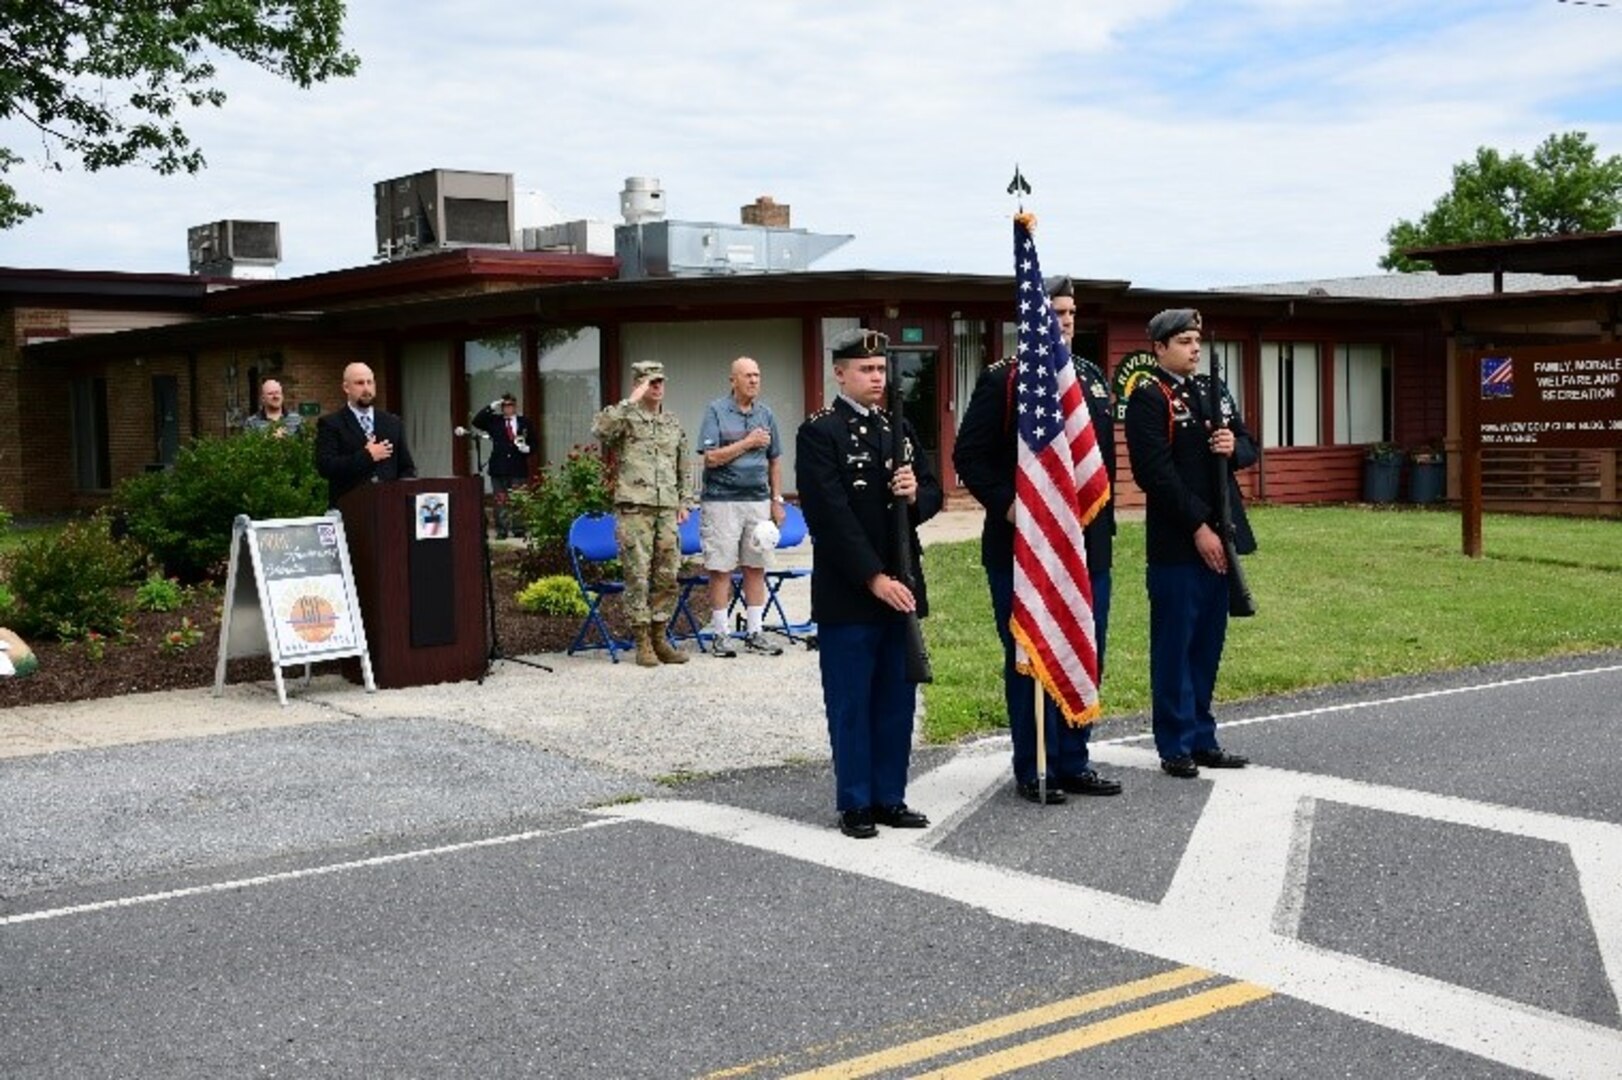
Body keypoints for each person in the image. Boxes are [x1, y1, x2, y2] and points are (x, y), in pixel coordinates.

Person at [953, 276, 1123, 804]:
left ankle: (1074, 760)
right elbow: (969, 456)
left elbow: (1103, 469)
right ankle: (1035, 767)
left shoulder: (1089, 379)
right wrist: (1014, 508)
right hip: (1021, 548)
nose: (1065, 320)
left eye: (1071, 312)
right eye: (1054, 310)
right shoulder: (1006, 381)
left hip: (1086, 546)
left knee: (1082, 649)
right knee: (1031, 657)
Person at [796, 328, 942, 839]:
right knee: (853, 701)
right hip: (851, 591)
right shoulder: (821, 432)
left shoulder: (897, 427)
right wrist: (873, 578)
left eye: (881, 369)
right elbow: (830, 517)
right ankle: (856, 801)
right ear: (840, 373)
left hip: (901, 583)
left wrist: (913, 494)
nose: (876, 378)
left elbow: (933, 491)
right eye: (865, 370)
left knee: (896, 700)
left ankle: (890, 797)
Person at [1124, 308, 1258, 778]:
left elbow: (1247, 444)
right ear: (1159, 348)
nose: (1194, 348)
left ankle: (1203, 736)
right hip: (1179, 543)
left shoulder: (1211, 390)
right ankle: (1174, 742)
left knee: (1207, 644)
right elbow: (1154, 474)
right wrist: (1199, 527)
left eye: (1196, 340)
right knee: (1175, 645)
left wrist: (1232, 448)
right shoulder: (1148, 397)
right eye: (1183, 340)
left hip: (1222, 535)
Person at [592, 360, 693, 668]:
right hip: (634, 508)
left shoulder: (672, 422)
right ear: (639, 385)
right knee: (637, 576)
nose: (658, 387)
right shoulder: (625, 418)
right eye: (651, 382)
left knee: (667, 575)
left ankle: (661, 637)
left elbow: (683, 464)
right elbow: (599, 429)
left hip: (666, 510)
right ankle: (642, 642)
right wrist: (630, 401)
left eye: (661, 381)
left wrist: (684, 501)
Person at [696, 356, 786, 658]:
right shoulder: (716, 411)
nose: (754, 381)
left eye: (757, 375)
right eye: (747, 376)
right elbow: (710, 458)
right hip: (722, 502)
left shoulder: (766, 413)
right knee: (721, 567)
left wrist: (777, 500)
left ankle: (755, 632)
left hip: (758, 502)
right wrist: (747, 443)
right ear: (733, 380)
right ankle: (721, 635)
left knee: (756, 565)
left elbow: (775, 460)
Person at [315, 362, 417, 509]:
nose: (366, 388)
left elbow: (406, 468)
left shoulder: (392, 422)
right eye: (359, 383)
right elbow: (326, 467)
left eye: (370, 382)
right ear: (346, 388)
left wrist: (400, 496)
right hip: (350, 510)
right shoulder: (331, 424)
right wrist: (366, 456)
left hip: (389, 509)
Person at [471, 392, 536, 539]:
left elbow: (534, 442)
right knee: (500, 500)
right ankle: (502, 529)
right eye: (504, 405)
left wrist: (528, 449)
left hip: (517, 466)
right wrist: (490, 407)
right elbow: (476, 422)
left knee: (518, 499)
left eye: (510, 405)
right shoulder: (495, 421)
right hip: (499, 467)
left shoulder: (524, 421)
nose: (507, 408)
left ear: (515, 406)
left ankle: (519, 528)